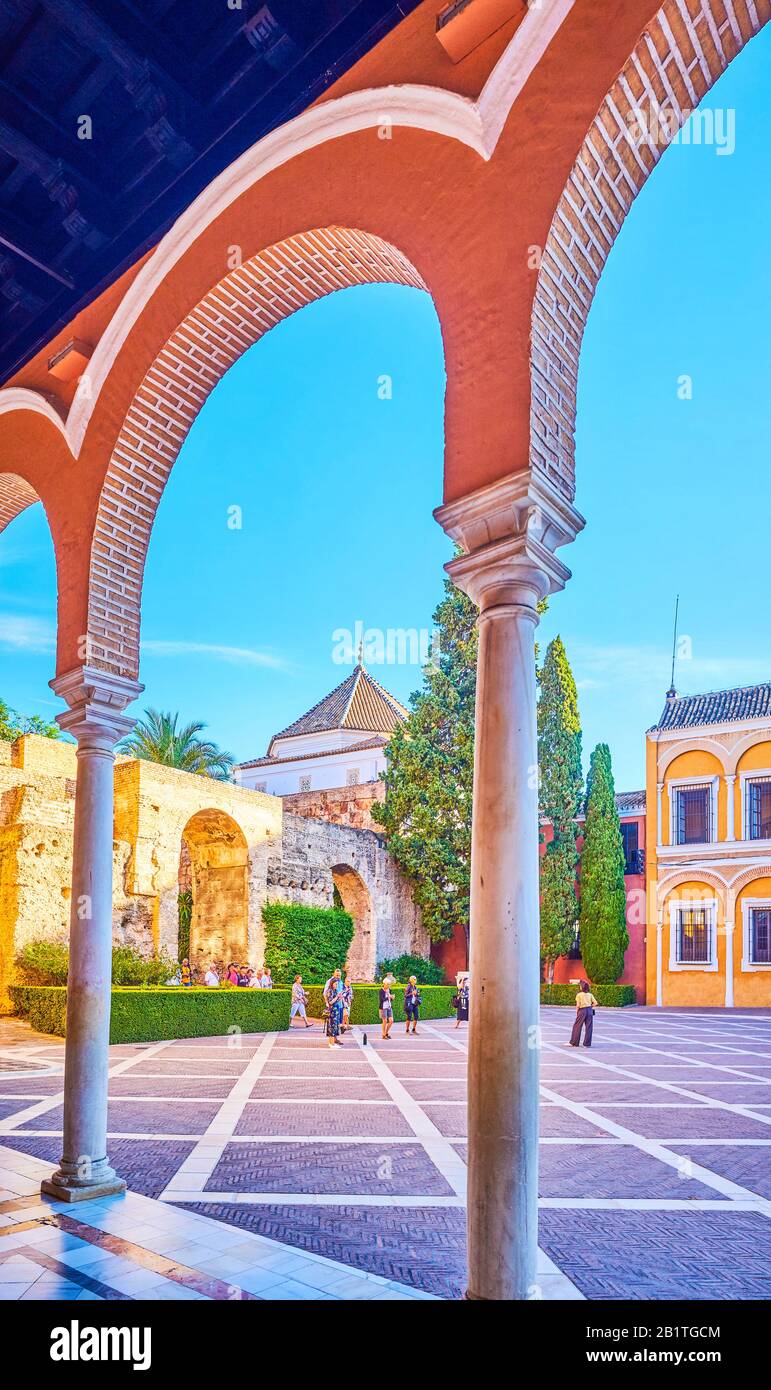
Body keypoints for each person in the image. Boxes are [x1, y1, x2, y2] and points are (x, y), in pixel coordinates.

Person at [568, 980, 599, 1048]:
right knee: (589, 1027)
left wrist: (577, 1012)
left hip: (582, 1010)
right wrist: (590, 1007)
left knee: (577, 1026)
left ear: (581, 987)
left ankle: (574, 1043)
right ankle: (587, 1044)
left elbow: (578, 1005)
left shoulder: (579, 995)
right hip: (589, 1011)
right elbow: (596, 1003)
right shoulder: (590, 995)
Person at [324, 969, 345, 1048]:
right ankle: (332, 1043)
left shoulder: (340, 983)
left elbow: (336, 998)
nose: (339, 977)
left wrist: (340, 998)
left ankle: (333, 1041)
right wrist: (327, 1003)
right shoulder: (330, 986)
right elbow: (328, 997)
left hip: (338, 1006)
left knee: (336, 1025)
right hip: (332, 1009)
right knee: (332, 1025)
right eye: (337, 975)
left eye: (340, 975)